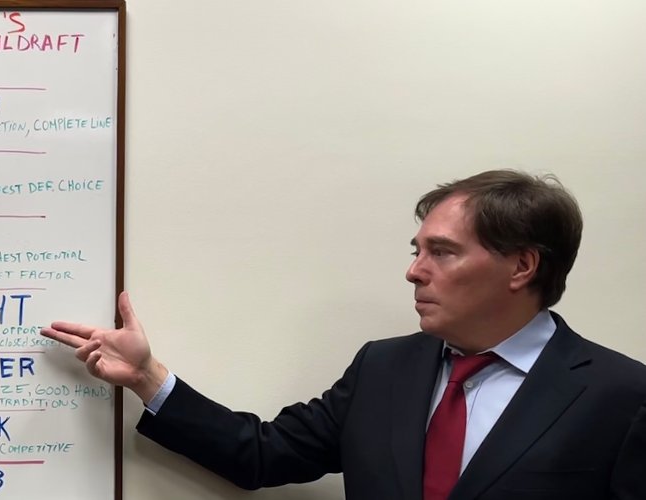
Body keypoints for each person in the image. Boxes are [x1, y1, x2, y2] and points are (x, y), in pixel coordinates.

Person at [42, 170, 646, 499]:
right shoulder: (385, 369)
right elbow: (263, 454)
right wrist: (146, 378)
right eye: (417, 250)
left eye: (442, 252)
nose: (414, 271)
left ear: (522, 266)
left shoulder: (621, 396)